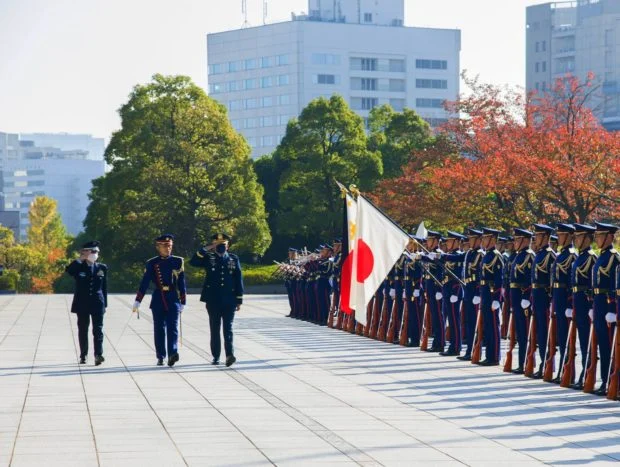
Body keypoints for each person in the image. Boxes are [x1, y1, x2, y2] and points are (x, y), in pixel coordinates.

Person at [190, 233, 244, 367]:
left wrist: (239, 299)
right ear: (214, 246)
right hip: (213, 300)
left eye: (223, 245)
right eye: (218, 245)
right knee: (215, 328)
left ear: (228, 246)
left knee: (228, 328)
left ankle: (229, 355)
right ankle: (216, 356)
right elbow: (193, 261)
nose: (221, 247)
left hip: (229, 299)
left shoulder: (233, 258)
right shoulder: (208, 257)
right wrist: (208, 248)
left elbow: (238, 279)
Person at [133, 234, 187, 367]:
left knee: (173, 328)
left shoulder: (178, 261)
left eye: (170, 246)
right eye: (165, 246)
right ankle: (161, 356)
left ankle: (172, 354)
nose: (168, 248)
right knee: (159, 329)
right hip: (158, 297)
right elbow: (145, 282)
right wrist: (138, 300)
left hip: (173, 297)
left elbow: (182, 282)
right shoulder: (152, 263)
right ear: (158, 247)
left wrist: (183, 301)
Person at [65, 241, 108, 365]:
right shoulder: (79, 266)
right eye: (92, 251)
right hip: (82, 303)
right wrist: (80, 259)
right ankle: (83, 355)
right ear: (85, 252)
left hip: (97, 303)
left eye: (96, 252)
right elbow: (69, 271)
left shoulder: (102, 267)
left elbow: (104, 288)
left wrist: (105, 304)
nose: (95, 254)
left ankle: (98, 355)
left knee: (98, 330)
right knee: (83, 329)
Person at [590, 222, 619, 395]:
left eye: (600, 235)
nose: (597, 238)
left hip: (608, 306)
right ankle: (604, 380)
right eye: (597, 236)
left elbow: (615, 286)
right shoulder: (602, 256)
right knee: (602, 344)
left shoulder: (614, 257)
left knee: (610, 346)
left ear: (610, 237)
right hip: (598, 303)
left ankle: (611, 380)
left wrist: (612, 307)